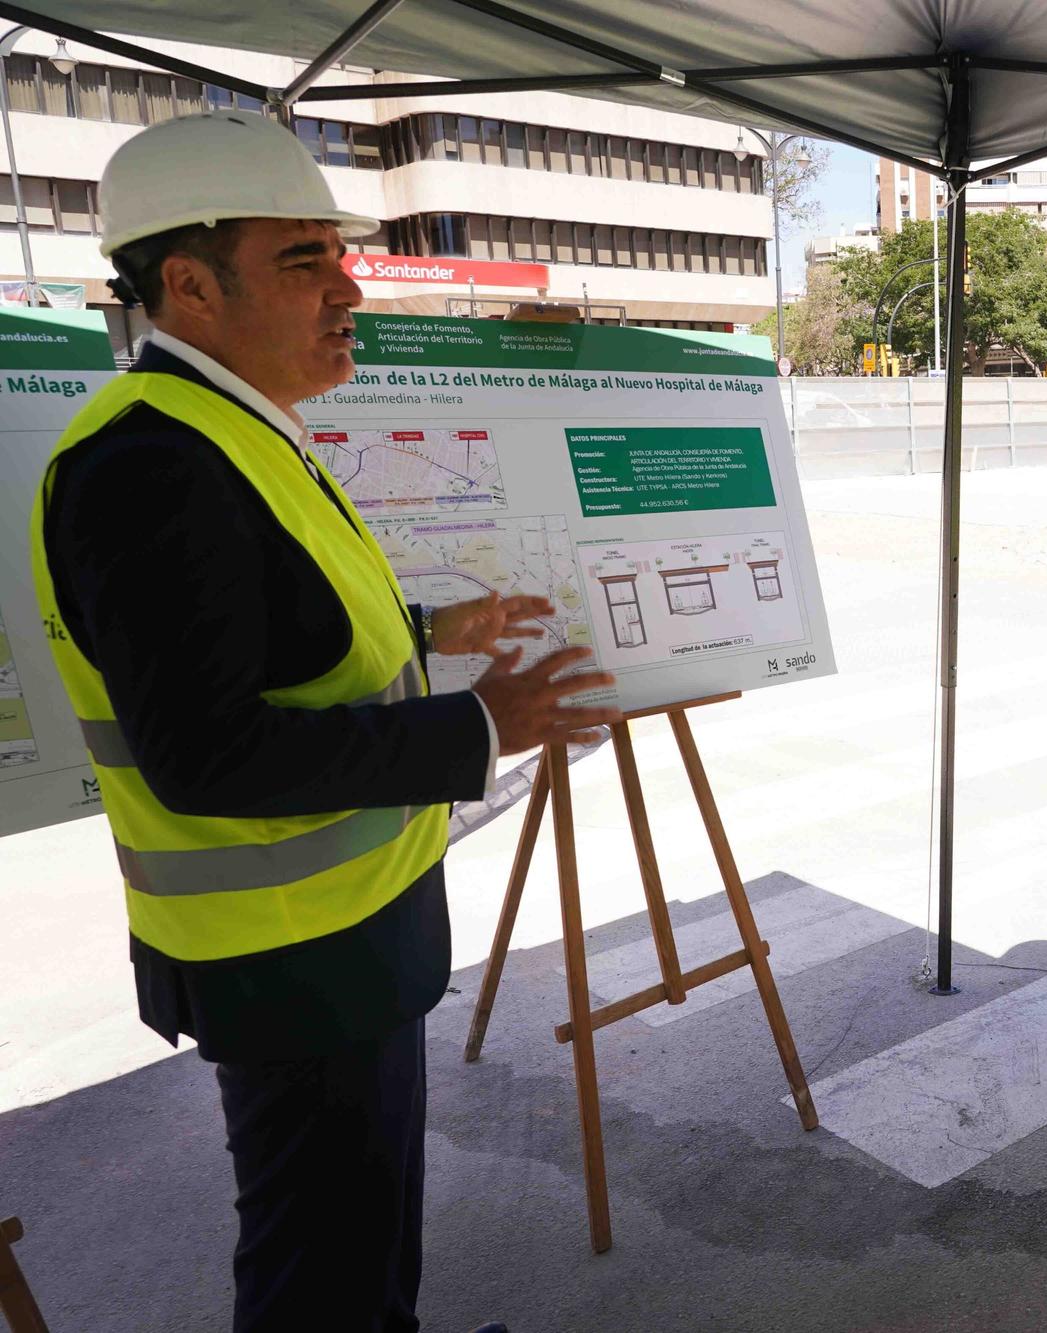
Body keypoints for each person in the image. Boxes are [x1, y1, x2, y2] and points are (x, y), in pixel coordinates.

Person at [27, 111, 620, 1332]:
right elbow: (209, 753)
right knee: (319, 1258)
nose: (348, 287)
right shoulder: (147, 467)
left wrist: (430, 629)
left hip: (342, 932)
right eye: (304, 260)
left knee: (360, 1225)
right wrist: (481, 729)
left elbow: (282, 629)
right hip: (286, 958)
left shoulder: (230, 429)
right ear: (188, 286)